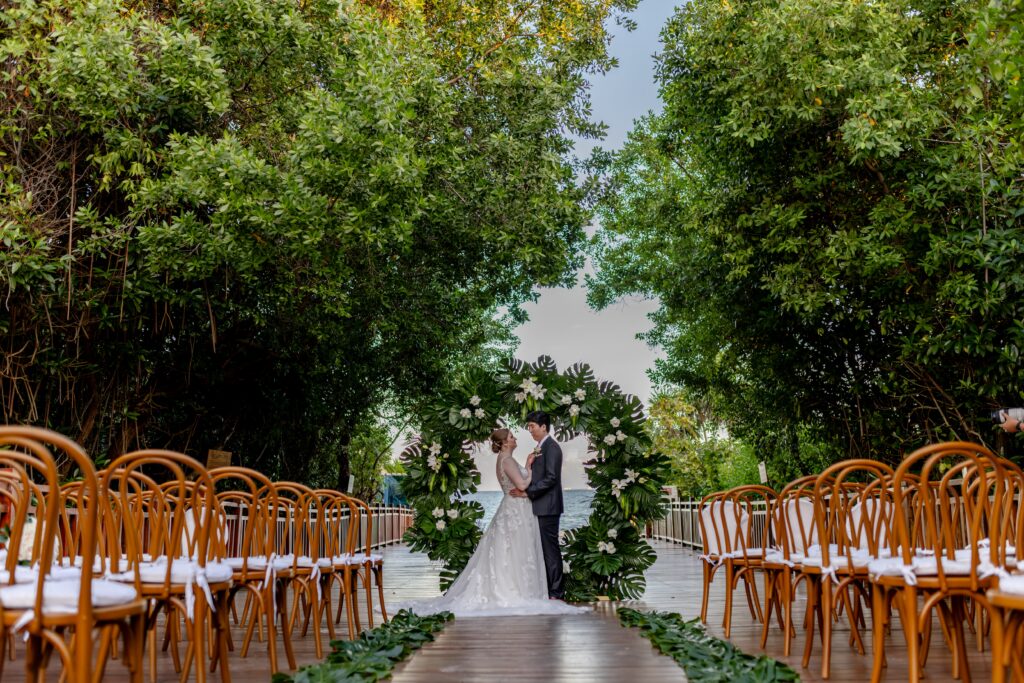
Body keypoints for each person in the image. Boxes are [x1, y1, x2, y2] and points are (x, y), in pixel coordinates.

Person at [397, 427, 586, 617]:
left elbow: (520, 481)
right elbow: (521, 485)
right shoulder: (508, 460)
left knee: (512, 551)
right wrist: (528, 475)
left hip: (514, 509)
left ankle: (520, 590)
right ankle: (515, 591)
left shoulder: (504, 460)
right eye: (511, 437)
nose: (515, 439)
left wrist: (528, 467)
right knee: (516, 551)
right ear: (504, 443)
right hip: (516, 510)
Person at [509, 410, 565, 600]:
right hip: (541, 506)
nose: (530, 430)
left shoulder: (552, 448)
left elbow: (551, 478)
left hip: (548, 507)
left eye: (532, 426)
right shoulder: (541, 448)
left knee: (550, 550)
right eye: (529, 427)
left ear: (543, 426)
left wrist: (527, 492)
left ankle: (556, 593)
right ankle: (548, 591)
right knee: (544, 550)